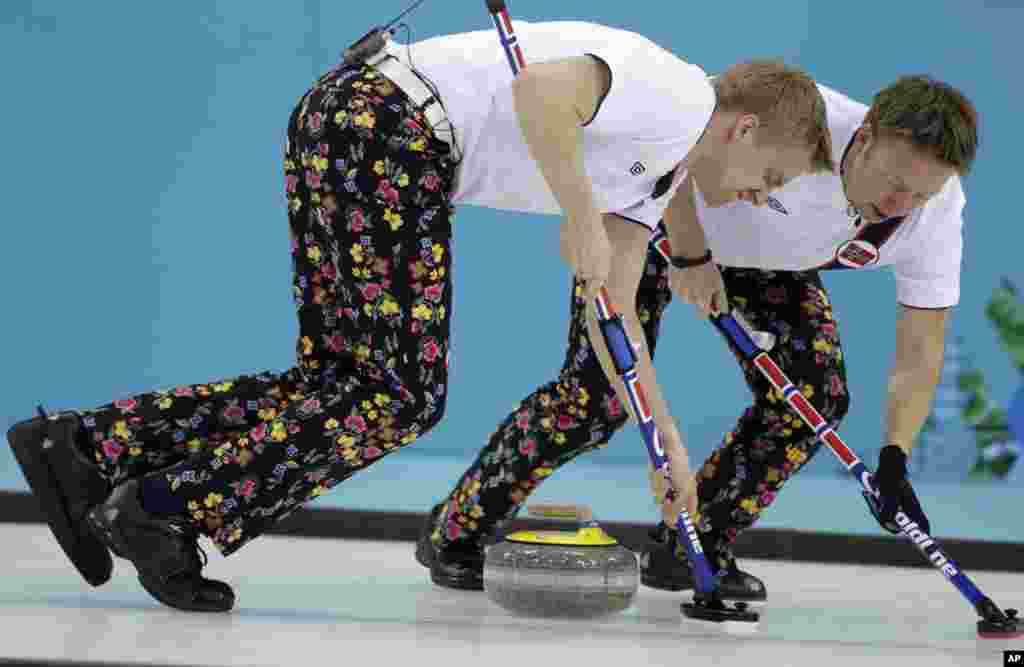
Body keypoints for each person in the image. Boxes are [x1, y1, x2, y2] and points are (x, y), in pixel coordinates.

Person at [6, 20, 829, 613]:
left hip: (356, 121)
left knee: (347, 382)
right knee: (399, 395)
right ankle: (162, 510)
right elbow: (541, 91)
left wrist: (670, 444)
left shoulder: (656, 179)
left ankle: (90, 448)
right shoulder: (680, 94)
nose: (765, 195)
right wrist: (577, 212)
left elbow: (614, 313)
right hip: (391, 132)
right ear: (746, 124)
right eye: (774, 173)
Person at [417, 74, 978, 604]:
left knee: (814, 398)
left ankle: (689, 546)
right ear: (868, 132)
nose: (903, 204)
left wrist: (895, 456)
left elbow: (921, 349)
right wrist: (689, 251)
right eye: (896, 183)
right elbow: (681, 130)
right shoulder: (801, 117)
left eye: (921, 194)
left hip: (771, 260)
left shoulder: (936, 213)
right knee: (599, 397)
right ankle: (457, 531)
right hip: (658, 220)